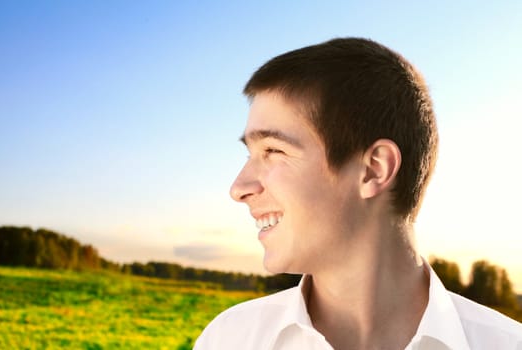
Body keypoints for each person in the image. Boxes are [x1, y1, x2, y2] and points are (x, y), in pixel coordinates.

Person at [194, 37, 522, 349]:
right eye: (250, 154)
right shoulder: (228, 340)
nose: (239, 188)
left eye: (274, 150)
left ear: (373, 170)